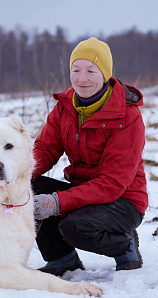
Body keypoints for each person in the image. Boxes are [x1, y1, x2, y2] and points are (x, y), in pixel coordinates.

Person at [32, 37, 148, 276]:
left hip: (123, 201)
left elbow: (112, 184)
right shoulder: (65, 106)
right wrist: (15, 175)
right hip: (84, 193)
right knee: (28, 186)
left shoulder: (127, 116)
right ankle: (62, 259)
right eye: (76, 70)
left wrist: (57, 202)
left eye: (91, 71)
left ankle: (125, 244)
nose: (81, 78)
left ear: (105, 74)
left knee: (75, 226)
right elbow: (45, 149)